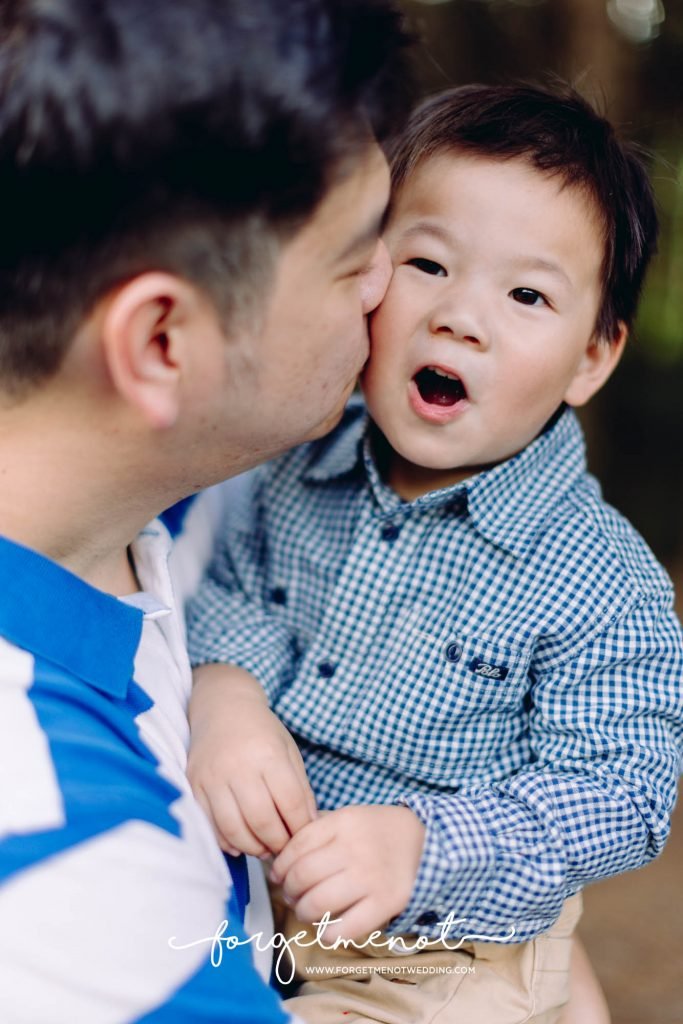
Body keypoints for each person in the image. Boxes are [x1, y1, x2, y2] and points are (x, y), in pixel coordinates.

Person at [186, 84, 683, 1024]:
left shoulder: (600, 582)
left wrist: (426, 845)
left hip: (444, 951)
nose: (459, 315)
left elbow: (619, 793)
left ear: (590, 357)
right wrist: (226, 694)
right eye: (427, 263)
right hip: (270, 906)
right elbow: (236, 587)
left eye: (526, 294)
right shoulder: (298, 465)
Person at [0, 0, 413, 1020]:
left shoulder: (208, 481)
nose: (391, 286)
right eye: (354, 256)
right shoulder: (65, 877)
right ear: (161, 345)